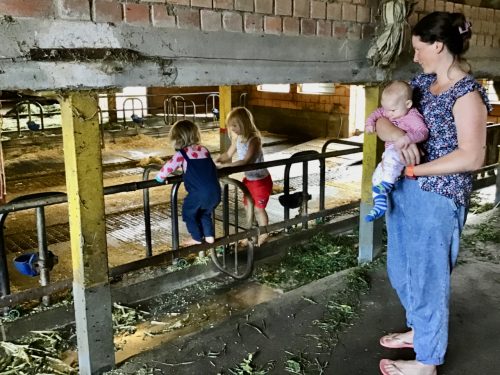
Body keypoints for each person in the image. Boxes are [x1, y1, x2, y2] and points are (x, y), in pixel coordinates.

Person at [375, 12, 491, 375]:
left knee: (428, 277)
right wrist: (395, 136)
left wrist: (414, 168)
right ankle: (420, 330)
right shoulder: (420, 83)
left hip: (438, 195)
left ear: (438, 45)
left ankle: (427, 362)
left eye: (418, 48)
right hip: (406, 192)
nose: (414, 55)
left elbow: (472, 156)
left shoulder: (467, 93)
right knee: (401, 269)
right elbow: (380, 116)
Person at [364, 80, 428, 222]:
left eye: (392, 110)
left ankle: (387, 184)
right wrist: (369, 123)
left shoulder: (412, 116)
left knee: (392, 158)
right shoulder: (390, 109)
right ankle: (380, 204)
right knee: (377, 175)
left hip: (403, 151)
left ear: (408, 104)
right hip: (391, 151)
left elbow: (423, 132)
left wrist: (407, 138)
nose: (388, 114)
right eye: (385, 109)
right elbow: (377, 113)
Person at [155, 120, 221, 246]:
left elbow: (168, 167)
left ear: (177, 139)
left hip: (198, 194)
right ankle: (209, 236)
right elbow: (201, 166)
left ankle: (196, 237)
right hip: (215, 192)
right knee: (204, 213)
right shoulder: (204, 150)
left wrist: (159, 178)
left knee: (188, 213)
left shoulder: (181, 154)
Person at [215, 107, 273, 246]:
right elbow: (228, 154)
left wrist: (226, 167)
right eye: (231, 126)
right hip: (249, 180)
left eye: (235, 125)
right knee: (248, 207)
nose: (232, 129)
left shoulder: (254, 139)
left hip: (260, 180)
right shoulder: (237, 138)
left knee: (259, 209)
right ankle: (250, 233)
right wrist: (218, 160)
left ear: (244, 123)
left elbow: (246, 161)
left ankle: (264, 233)